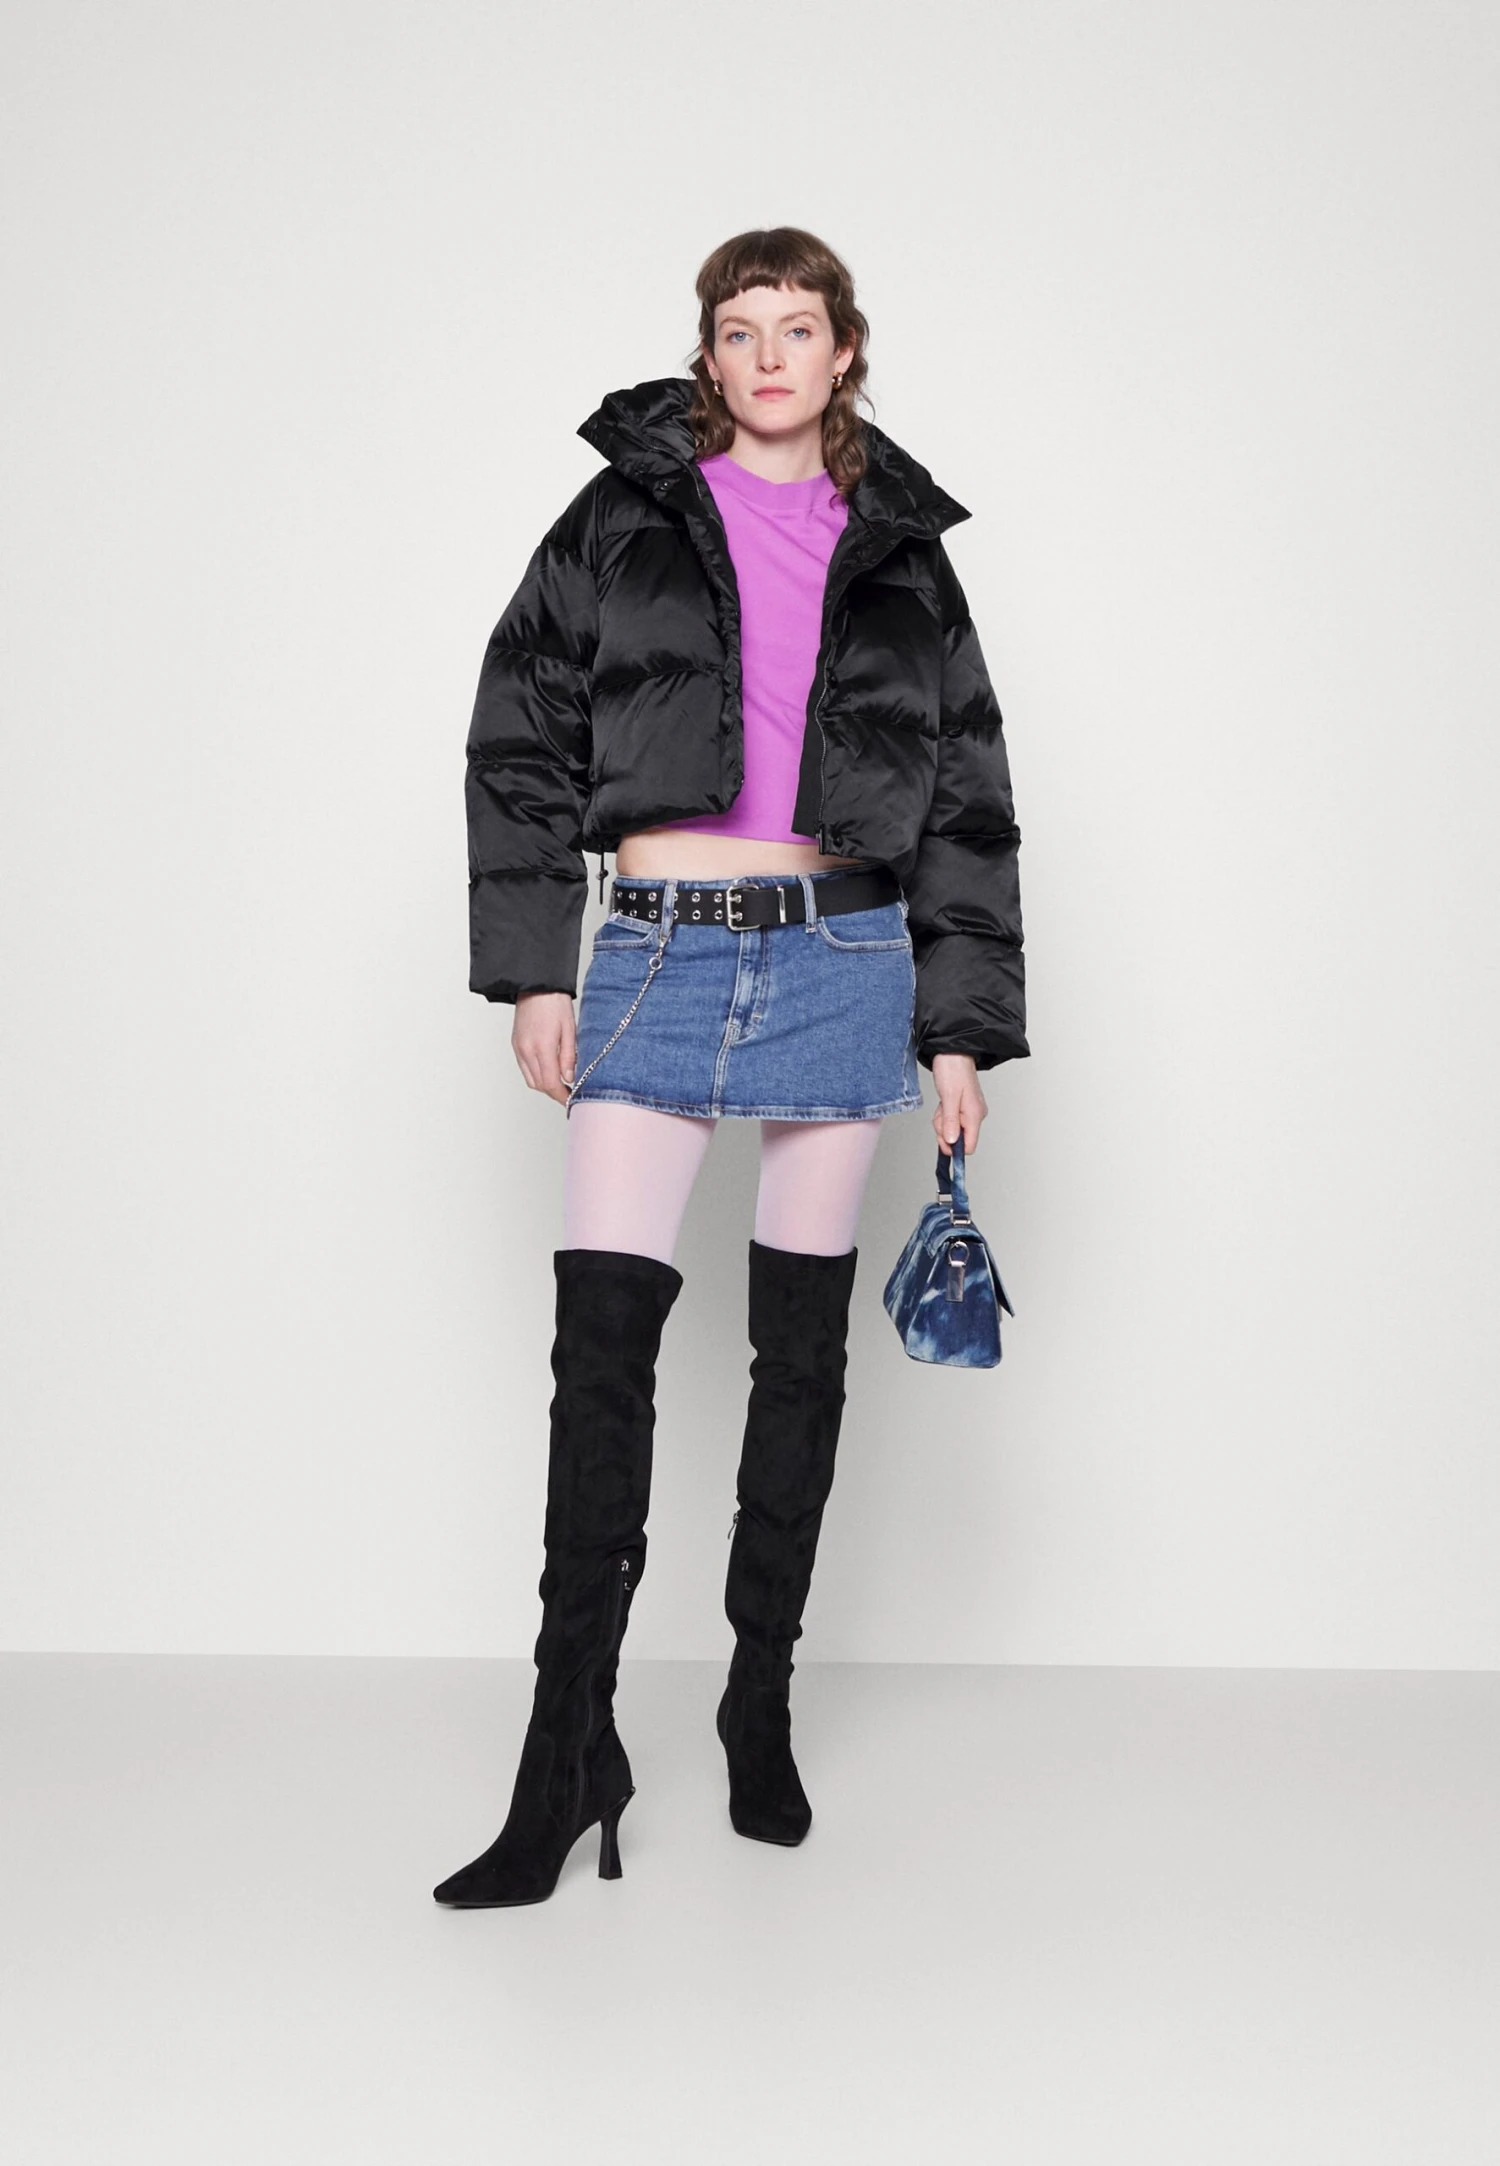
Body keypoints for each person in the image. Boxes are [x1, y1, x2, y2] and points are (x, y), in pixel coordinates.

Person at [433, 226, 1027, 1908]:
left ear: (846, 351)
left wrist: (960, 1022)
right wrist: (536, 965)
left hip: (847, 957)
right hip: (659, 951)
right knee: (602, 1356)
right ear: (710, 354)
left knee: (800, 1359)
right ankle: (565, 1748)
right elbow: (520, 728)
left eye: (800, 327)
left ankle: (756, 1701)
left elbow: (967, 792)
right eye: (741, 329)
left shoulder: (904, 553)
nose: (770, 355)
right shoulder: (621, 514)